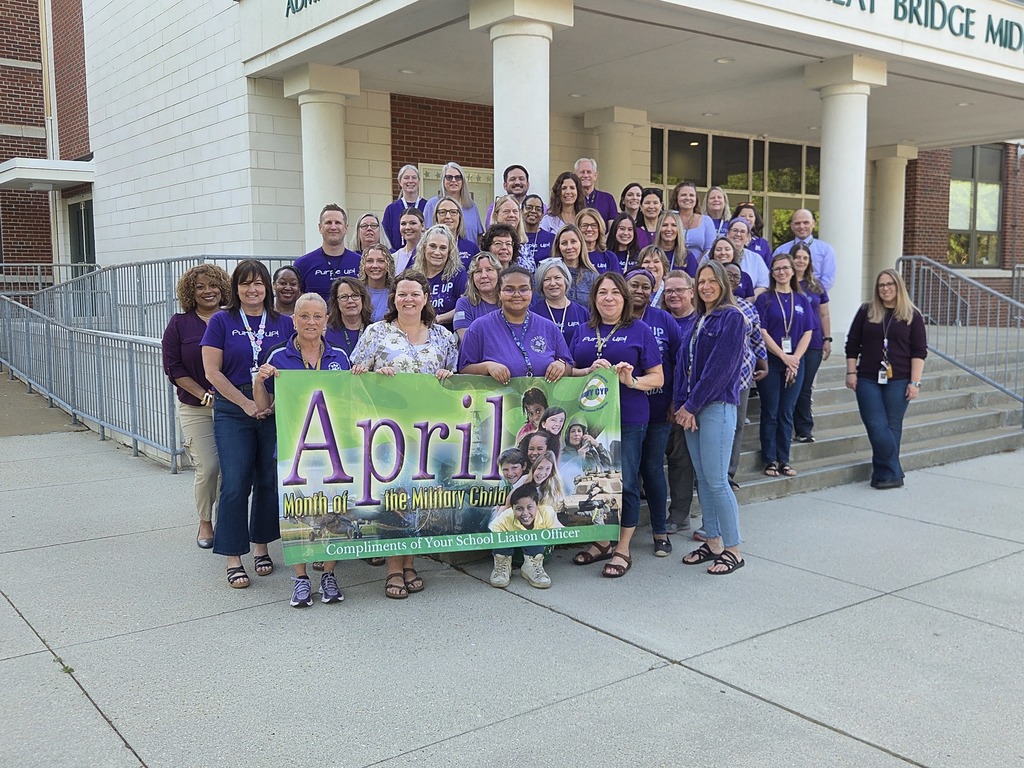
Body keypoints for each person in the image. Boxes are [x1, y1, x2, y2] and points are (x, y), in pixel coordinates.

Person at [350, 269, 458, 598]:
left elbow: (455, 380)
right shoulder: (375, 333)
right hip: (387, 430)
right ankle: (394, 569)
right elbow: (355, 377)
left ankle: (410, 563)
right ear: (393, 298)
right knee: (394, 498)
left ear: (426, 298)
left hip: (428, 432)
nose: (408, 299)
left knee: (417, 498)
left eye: (414, 294)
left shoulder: (443, 337)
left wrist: (447, 376)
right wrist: (373, 374)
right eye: (402, 294)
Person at [253, 292, 350, 607]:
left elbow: (351, 400)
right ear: (293, 320)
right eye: (304, 316)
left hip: (332, 449)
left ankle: (329, 574)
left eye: (317, 316)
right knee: (297, 512)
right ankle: (301, 578)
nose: (311, 322)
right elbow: (262, 407)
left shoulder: (340, 357)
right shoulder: (278, 356)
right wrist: (259, 381)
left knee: (333, 509)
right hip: (293, 449)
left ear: (326, 321)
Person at [201, 260, 292, 588]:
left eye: (258, 283)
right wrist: (246, 403)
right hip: (233, 408)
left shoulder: (284, 323)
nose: (252, 289)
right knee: (236, 481)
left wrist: (273, 404)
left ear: (267, 287)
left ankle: (261, 546)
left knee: (268, 479)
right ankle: (233, 556)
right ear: (235, 288)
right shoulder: (221, 321)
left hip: (274, 408)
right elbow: (212, 372)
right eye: (245, 283)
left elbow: (294, 365)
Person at [569, 272, 664, 578]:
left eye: (614, 293)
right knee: (595, 480)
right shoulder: (583, 330)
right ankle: (602, 541)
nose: (608, 298)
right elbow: (570, 371)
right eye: (602, 293)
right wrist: (586, 370)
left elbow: (658, 378)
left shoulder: (640, 330)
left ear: (624, 298)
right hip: (592, 420)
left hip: (629, 417)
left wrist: (631, 380)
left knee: (626, 482)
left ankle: (623, 547)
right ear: (594, 298)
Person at [674, 260, 748, 575]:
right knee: (703, 479)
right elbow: (683, 365)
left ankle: (733, 549)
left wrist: (692, 406)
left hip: (716, 405)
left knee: (717, 480)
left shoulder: (732, 317)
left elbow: (720, 368)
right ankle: (713, 541)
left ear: (723, 283)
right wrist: (682, 406)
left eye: (711, 281)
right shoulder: (698, 320)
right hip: (692, 408)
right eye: (701, 282)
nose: (705, 286)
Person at [162, 263, 231, 549]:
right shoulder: (179, 324)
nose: (207, 291)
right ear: (190, 292)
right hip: (196, 407)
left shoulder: (232, 320)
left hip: (233, 406)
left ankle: (228, 521)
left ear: (223, 289)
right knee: (209, 466)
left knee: (231, 469)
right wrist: (205, 394)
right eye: (200, 287)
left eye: (213, 285)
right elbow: (174, 368)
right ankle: (205, 520)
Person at [845, 269, 927, 490]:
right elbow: (852, 343)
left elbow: (919, 352)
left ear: (898, 286)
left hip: (900, 379)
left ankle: (884, 475)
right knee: (876, 425)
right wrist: (851, 372)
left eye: (890, 284)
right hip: (868, 378)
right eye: (881, 285)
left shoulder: (912, 315)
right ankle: (895, 471)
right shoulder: (866, 311)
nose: (885, 288)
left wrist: (915, 382)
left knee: (892, 425)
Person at [625, 268, 682, 557]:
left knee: (652, 468)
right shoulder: (616, 318)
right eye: (634, 284)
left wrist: (676, 400)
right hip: (626, 411)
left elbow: (680, 362)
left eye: (646, 286)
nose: (639, 290)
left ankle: (660, 531)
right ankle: (621, 534)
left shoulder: (664, 319)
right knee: (627, 473)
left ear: (653, 290)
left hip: (660, 408)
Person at [458, 265, 572, 385]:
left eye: (523, 289)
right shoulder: (479, 327)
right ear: (499, 293)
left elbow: (569, 366)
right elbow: (464, 369)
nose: (517, 294)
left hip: (543, 396)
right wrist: (487, 367)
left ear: (531, 292)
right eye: (509, 289)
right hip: (498, 396)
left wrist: (561, 365)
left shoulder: (549, 327)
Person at [755, 253, 814, 478]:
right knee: (771, 411)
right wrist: (783, 357)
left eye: (785, 268)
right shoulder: (765, 299)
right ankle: (769, 459)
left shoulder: (802, 300)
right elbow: (762, 331)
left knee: (786, 412)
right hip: (772, 361)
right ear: (772, 272)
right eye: (777, 268)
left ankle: (784, 460)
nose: (781, 272)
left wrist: (794, 359)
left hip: (795, 363)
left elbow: (808, 331)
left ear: (792, 271)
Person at [722, 263, 769, 491]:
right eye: (727, 274)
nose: (732, 279)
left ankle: (728, 473)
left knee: (737, 425)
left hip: (742, 377)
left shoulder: (748, 307)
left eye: (736, 276)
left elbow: (757, 338)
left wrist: (764, 363)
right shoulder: (707, 305)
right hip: (714, 379)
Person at [661, 271, 700, 534]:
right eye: (668, 291)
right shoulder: (659, 319)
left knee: (681, 461)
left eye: (679, 290)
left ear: (691, 291)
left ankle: (679, 515)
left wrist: (686, 404)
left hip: (687, 404)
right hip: (657, 401)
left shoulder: (700, 322)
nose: (673, 295)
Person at [792, 242, 832, 443]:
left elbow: (824, 314)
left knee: (806, 387)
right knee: (793, 386)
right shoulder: (786, 282)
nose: (801, 261)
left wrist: (827, 338)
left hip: (814, 343)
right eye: (797, 257)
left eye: (805, 258)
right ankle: (787, 426)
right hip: (791, 342)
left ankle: (804, 429)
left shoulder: (816, 285)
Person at [488, 484, 560, 589]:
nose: (525, 513)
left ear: (537, 505)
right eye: (519, 509)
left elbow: (559, 533)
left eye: (530, 507)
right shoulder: (505, 517)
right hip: (514, 553)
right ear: (512, 509)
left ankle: (531, 567)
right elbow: (493, 533)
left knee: (536, 535)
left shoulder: (547, 513)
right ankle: (503, 567)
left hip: (537, 552)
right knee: (499, 536)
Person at [294, 204, 362, 301]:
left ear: (346, 228)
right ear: (320, 227)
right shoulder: (302, 264)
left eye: (338, 222)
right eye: (328, 222)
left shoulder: (359, 262)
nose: (333, 227)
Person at [412, 224, 468, 327]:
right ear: (424, 248)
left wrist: (438, 319)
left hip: (449, 332)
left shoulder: (458, 275)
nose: (437, 252)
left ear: (449, 252)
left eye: (443, 248)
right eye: (432, 246)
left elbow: (466, 306)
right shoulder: (414, 276)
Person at [772, 209, 836, 291]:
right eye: (797, 223)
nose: (801, 226)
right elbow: (773, 274)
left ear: (813, 223)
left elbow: (828, 279)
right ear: (792, 226)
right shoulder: (781, 250)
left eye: (806, 222)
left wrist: (812, 294)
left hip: (814, 295)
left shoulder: (825, 250)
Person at [531, 258, 589, 347]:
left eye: (557, 278)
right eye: (547, 279)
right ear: (541, 284)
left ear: (566, 280)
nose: (553, 283)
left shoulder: (582, 313)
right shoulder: (533, 314)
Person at [423, 162, 483, 243]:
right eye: (449, 177)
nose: (454, 180)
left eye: (458, 177)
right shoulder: (432, 205)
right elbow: (425, 235)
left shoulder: (471, 206)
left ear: (463, 181)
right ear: (443, 180)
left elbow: (479, 237)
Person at [453, 251, 501, 340]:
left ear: (498, 274)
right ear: (472, 278)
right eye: (478, 271)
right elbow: (466, 340)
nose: (483, 276)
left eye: (489, 270)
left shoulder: (509, 301)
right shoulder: (464, 303)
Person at [551, 224, 601, 305]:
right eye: (564, 243)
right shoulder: (550, 276)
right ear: (558, 247)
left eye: (573, 242)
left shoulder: (593, 277)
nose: (569, 247)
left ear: (581, 244)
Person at [670, 181, 716, 268]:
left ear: (696, 199)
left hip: (700, 268)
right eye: (683, 195)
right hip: (673, 266)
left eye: (691, 195)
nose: (688, 198)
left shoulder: (706, 221)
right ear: (676, 198)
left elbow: (710, 249)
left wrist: (695, 266)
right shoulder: (670, 219)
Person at [382, 164, 427, 249]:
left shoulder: (427, 206)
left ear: (419, 181)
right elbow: (385, 237)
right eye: (406, 178)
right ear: (400, 181)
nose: (410, 181)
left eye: (414, 177)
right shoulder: (391, 209)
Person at [325, 276, 371, 358]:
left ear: (363, 299)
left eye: (355, 295)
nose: (350, 301)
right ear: (336, 302)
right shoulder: (326, 333)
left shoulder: (375, 331)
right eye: (344, 297)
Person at [723, 217, 769, 295]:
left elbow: (763, 285)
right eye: (735, 230)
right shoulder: (716, 253)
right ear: (727, 233)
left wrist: (750, 299)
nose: (738, 234)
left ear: (748, 237)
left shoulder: (756, 258)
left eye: (742, 231)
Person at [488, 197, 534, 270]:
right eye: (506, 211)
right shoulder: (488, 241)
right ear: (496, 215)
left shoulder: (524, 246)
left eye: (515, 211)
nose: (512, 215)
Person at [432, 196, 480, 265]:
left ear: (460, 217)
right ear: (436, 217)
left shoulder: (471, 248)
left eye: (453, 212)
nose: (448, 216)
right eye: (442, 212)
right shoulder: (427, 247)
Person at [575, 208, 620, 274]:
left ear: (600, 228)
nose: (589, 229)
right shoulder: (573, 257)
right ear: (577, 228)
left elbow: (617, 280)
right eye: (585, 225)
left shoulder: (610, 257)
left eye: (594, 225)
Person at [358, 243, 395, 322]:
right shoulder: (356, 291)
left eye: (380, 261)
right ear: (363, 265)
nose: (375, 265)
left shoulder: (395, 293)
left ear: (389, 265)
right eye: (370, 261)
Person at [574, 158, 618, 223]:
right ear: (575, 176)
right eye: (582, 172)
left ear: (595, 176)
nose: (585, 175)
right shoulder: (572, 199)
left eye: (589, 172)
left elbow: (612, 227)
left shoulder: (608, 199)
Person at [654, 210, 696, 276]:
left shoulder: (687, 256)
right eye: (664, 225)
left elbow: (694, 280)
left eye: (674, 225)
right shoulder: (650, 254)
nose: (669, 229)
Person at [733, 202, 772, 267]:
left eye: (751, 216)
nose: (747, 218)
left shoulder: (762, 243)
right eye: (743, 216)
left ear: (755, 221)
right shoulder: (728, 241)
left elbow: (769, 267)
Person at [522, 193, 555, 264]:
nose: (533, 211)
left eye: (538, 209)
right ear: (521, 211)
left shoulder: (551, 238)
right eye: (529, 208)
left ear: (542, 215)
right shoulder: (514, 237)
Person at [392, 207, 425, 273]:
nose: (407, 227)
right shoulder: (394, 258)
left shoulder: (429, 254)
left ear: (423, 226)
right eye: (403, 224)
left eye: (413, 223)